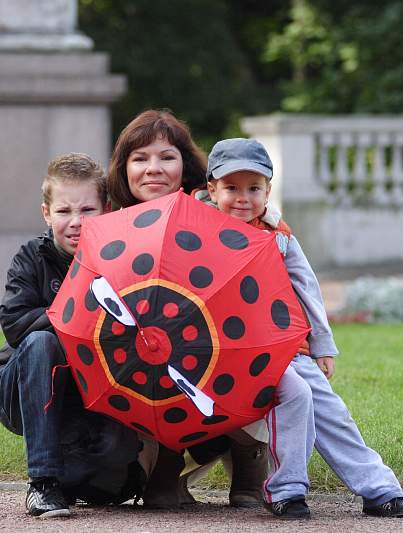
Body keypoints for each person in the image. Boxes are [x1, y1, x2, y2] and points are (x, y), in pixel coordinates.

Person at [205, 138, 403, 520]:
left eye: (253, 188)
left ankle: (379, 488)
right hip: (234, 355)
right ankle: (286, 490)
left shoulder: (280, 237)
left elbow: (307, 288)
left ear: (268, 191)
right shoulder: (199, 233)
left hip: (288, 347)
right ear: (212, 189)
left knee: (332, 411)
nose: (243, 198)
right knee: (296, 395)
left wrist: (322, 345)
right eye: (231, 188)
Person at [107, 110, 269, 509]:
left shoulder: (215, 212)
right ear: (124, 167)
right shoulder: (109, 223)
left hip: (216, 347)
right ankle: (164, 463)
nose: (153, 169)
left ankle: (248, 457)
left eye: (166, 157)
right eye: (140, 158)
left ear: (186, 164)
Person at [0, 153, 153, 518]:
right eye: (64, 212)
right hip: (16, 386)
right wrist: (77, 308)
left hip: (89, 390)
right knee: (41, 341)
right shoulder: (31, 258)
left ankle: (71, 474)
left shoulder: (122, 260)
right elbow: (15, 326)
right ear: (46, 214)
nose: (76, 223)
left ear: (106, 209)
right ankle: (42, 484)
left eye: (87, 210)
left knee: (111, 487)